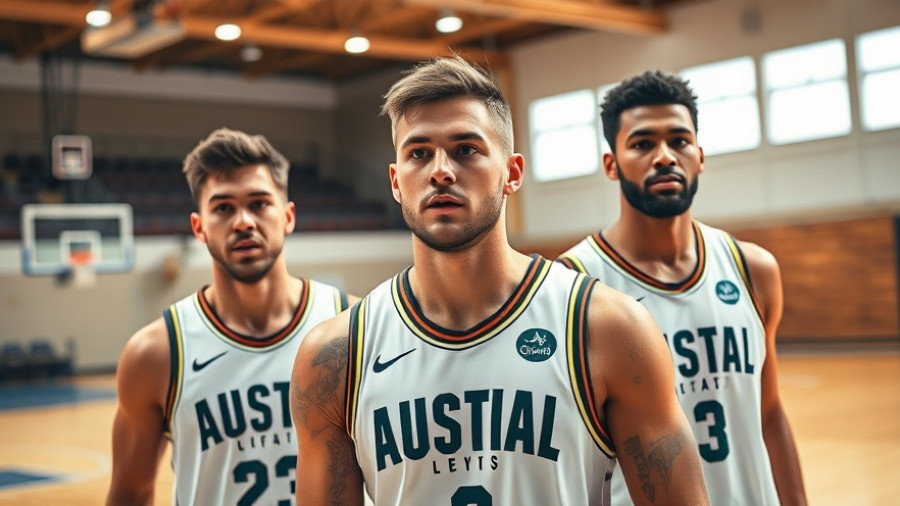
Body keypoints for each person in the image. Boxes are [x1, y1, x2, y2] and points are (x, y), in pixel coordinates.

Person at [288, 56, 709, 505]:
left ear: (512, 173)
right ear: (395, 181)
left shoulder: (608, 329)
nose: (440, 170)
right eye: (418, 153)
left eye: (466, 149)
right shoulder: (337, 356)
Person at [557, 70, 807, 505]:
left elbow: (768, 412)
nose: (665, 156)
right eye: (642, 143)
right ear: (611, 164)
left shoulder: (753, 270)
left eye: (679, 140)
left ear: (700, 155)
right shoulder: (575, 285)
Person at [106, 128, 358, 505]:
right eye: (223, 207)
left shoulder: (352, 326)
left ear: (288, 216)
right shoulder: (156, 354)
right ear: (199, 227)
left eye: (259, 204)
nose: (243, 222)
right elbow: (130, 493)